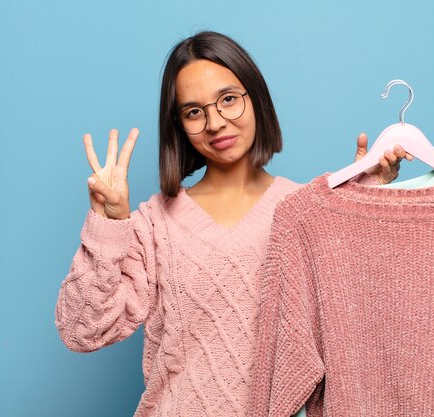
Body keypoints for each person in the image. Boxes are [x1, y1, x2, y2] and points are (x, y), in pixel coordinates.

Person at [55, 31, 410, 417]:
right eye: (194, 111)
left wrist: (356, 202)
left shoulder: (306, 211)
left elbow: (363, 329)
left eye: (228, 100)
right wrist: (110, 224)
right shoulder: (154, 224)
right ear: (179, 125)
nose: (215, 122)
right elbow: (81, 330)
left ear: (255, 97)